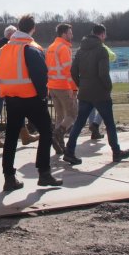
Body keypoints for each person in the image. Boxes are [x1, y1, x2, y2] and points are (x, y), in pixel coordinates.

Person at [0, 14, 62, 191]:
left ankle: (9, 177)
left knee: (11, 137)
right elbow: (41, 77)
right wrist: (43, 95)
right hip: (31, 98)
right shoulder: (31, 48)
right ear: (33, 28)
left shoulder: (4, 49)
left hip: (11, 98)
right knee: (46, 132)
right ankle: (44, 173)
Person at [64, 24, 129, 165]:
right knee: (109, 124)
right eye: (104, 35)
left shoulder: (80, 50)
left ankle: (69, 151)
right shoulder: (101, 50)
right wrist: (108, 87)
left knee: (79, 123)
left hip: (85, 92)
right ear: (101, 35)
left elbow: (72, 71)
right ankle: (116, 152)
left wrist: (80, 84)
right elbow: (103, 73)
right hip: (100, 93)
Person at [45, 23, 78, 156]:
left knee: (61, 116)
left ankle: (59, 144)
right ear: (64, 34)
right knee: (72, 115)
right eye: (70, 33)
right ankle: (57, 134)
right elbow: (68, 71)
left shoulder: (51, 47)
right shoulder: (63, 48)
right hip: (63, 86)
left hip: (52, 86)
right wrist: (74, 88)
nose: (72, 35)